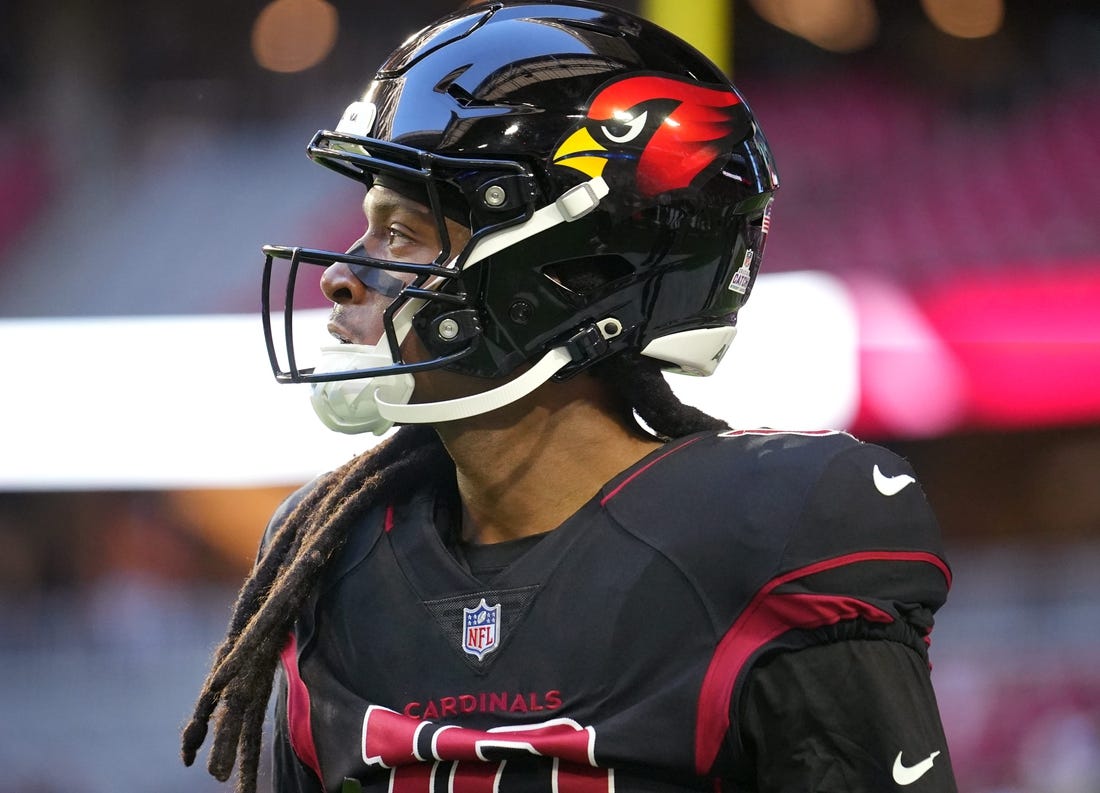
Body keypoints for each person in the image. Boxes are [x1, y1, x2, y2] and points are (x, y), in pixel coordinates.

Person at [182, 2, 958, 792]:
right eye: (368, 226)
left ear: (575, 269)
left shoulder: (774, 529)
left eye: (403, 233)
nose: (343, 272)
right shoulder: (331, 555)